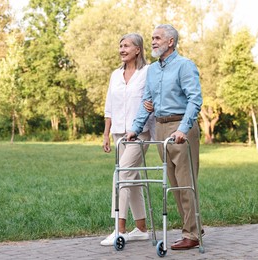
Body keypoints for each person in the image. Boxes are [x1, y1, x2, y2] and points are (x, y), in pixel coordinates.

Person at [126, 24, 203, 250]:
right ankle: (193, 226)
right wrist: (135, 127)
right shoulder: (152, 70)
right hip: (160, 128)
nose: (153, 42)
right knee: (173, 183)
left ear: (171, 42)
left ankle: (192, 233)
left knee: (185, 183)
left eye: (157, 38)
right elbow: (147, 102)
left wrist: (183, 127)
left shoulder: (184, 66)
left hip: (181, 128)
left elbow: (194, 100)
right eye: (152, 38)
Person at [101, 33, 155, 246]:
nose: (122, 49)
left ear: (138, 49)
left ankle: (119, 229)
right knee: (132, 179)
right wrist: (106, 133)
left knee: (122, 174)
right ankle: (141, 228)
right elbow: (109, 106)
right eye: (120, 46)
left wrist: (154, 104)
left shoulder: (147, 72)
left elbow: (156, 95)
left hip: (139, 133)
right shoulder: (115, 74)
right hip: (118, 133)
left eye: (126, 46)